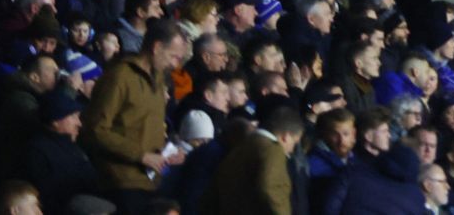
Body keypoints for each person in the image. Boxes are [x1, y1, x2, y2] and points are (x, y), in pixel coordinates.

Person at [81, 19, 188, 213]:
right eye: (173, 56)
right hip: (121, 181)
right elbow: (95, 129)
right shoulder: (120, 76)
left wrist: (167, 153)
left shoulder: (158, 79)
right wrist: (141, 155)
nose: (175, 64)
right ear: (156, 47)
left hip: (151, 180)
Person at [201, 104, 306, 215]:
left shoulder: (245, 144)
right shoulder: (272, 149)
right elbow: (270, 187)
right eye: (294, 143)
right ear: (286, 136)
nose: (292, 149)